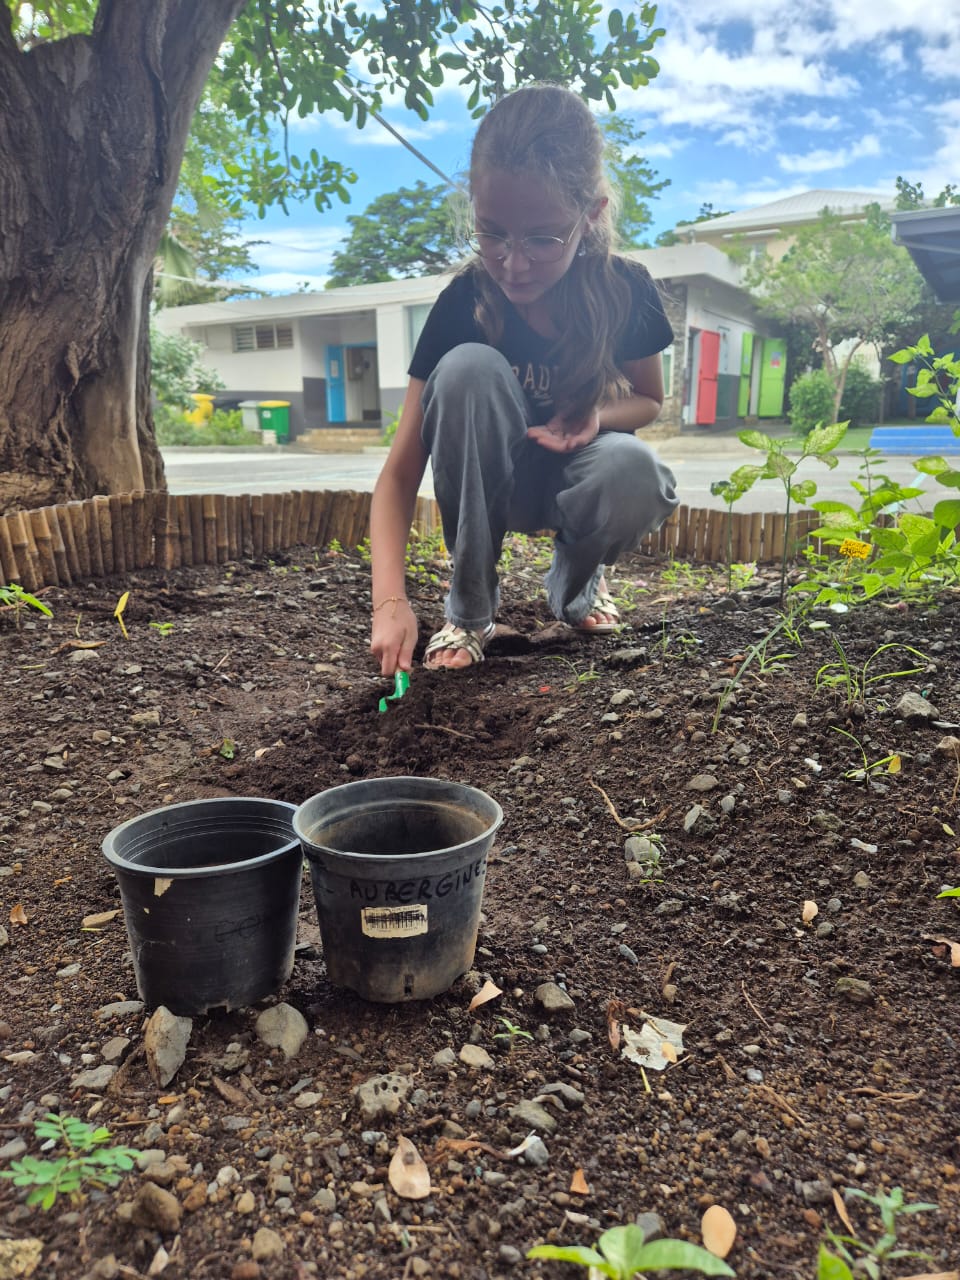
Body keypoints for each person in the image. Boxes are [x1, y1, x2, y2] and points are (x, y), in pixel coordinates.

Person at [369, 83, 678, 675]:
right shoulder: (463, 300)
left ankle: (578, 584)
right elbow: (400, 472)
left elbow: (648, 400)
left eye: (541, 238)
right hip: (488, 487)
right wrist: (391, 602)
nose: (512, 262)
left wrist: (596, 418)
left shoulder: (626, 289)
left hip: (575, 480)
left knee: (634, 468)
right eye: (492, 234)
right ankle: (470, 609)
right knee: (466, 368)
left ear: (591, 216)